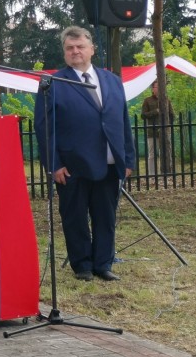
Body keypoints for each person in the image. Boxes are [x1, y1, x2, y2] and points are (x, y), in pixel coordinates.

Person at [34, 26, 135, 282]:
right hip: (72, 165)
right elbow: (44, 127)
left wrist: (128, 158)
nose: (75, 51)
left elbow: (123, 121)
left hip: (109, 163)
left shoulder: (112, 80)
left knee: (105, 216)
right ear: (64, 52)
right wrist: (54, 164)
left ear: (92, 49)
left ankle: (103, 264)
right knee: (75, 217)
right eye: (69, 48)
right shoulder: (53, 83)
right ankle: (82, 266)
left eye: (80, 46)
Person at [141, 80, 175, 176]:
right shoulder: (147, 100)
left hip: (165, 131)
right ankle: (152, 175)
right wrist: (155, 111)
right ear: (153, 89)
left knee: (165, 153)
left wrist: (168, 126)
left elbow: (172, 115)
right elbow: (143, 115)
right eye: (157, 87)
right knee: (152, 154)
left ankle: (166, 173)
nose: (159, 89)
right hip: (152, 132)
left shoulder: (167, 100)